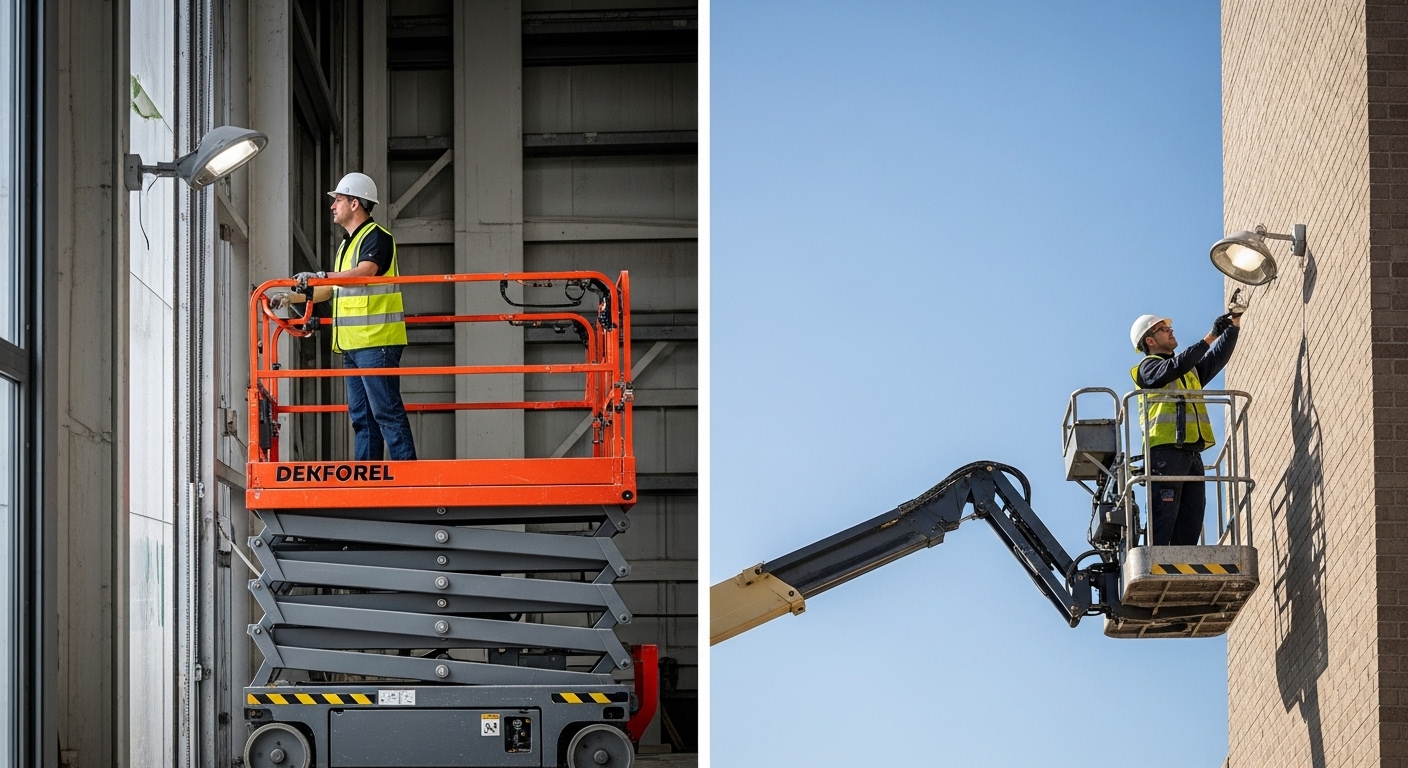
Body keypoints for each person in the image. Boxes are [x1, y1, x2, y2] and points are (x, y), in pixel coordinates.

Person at [271, 172, 417, 461]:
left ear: (354, 204)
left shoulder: (377, 237)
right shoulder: (346, 245)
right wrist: (293, 297)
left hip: (377, 341)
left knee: (385, 411)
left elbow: (365, 274)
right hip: (353, 345)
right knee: (362, 417)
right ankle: (367, 476)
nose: (332, 206)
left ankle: (407, 474)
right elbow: (334, 290)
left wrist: (322, 276)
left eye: (337, 200)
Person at [1128, 311, 1240, 546]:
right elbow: (1175, 367)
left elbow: (1216, 359)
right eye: (1162, 329)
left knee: (1192, 519)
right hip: (1165, 453)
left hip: (1191, 453)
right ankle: (1156, 566)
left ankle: (1181, 569)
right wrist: (1210, 337)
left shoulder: (1188, 372)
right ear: (1150, 340)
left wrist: (1233, 326)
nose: (1170, 331)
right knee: (1164, 517)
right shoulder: (1148, 368)